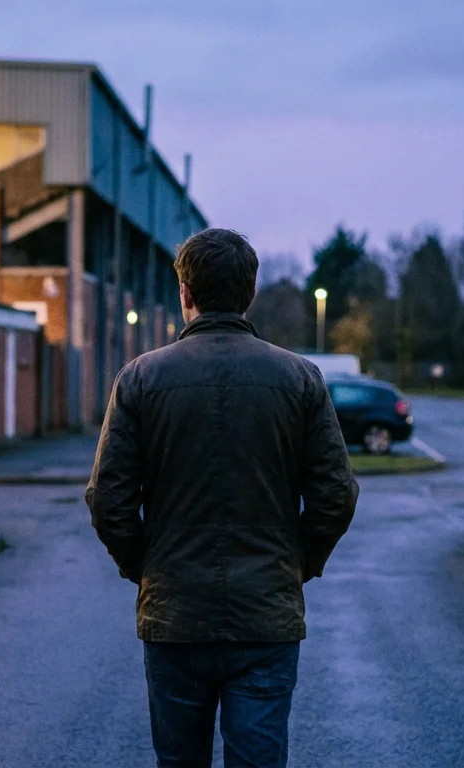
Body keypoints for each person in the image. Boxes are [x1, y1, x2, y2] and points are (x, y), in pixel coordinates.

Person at [87, 228, 359, 768]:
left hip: (175, 614)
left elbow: (108, 499)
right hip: (266, 616)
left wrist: (147, 568)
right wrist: (295, 565)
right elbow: (336, 495)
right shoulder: (300, 379)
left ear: (184, 292)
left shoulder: (140, 379)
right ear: (250, 292)